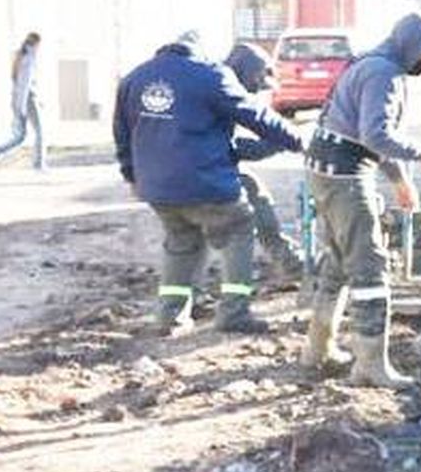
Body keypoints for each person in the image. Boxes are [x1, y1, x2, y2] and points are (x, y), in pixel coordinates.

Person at [113, 30, 302, 336]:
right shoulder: (210, 75)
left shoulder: (134, 79)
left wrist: (131, 176)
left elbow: (122, 136)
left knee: (181, 243)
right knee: (240, 229)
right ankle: (233, 312)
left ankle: (169, 318)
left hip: (157, 189)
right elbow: (254, 115)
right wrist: (297, 139)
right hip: (205, 184)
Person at [302, 12, 421, 387]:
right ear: (413, 48)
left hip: (326, 169)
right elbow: (375, 134)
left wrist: (398, 180)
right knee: (369, 266)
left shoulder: (369, 63)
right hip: (345, 176)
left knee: (338, 260)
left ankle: (318, 348)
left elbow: (367, 134)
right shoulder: (384, 74)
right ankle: (370, 365)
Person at [224, 42, 306, 288]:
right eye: (256, 83)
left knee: (254, 190)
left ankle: (290, 261)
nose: (256, 90)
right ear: (247, 73)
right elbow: (235, 147)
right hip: (201, 167)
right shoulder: (223, 89)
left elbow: (231, 144)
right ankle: (291, 264)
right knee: (246, 214)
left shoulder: (220, 84)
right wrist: (285, 141)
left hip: (192, 163)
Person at [0, 32, 45, 170]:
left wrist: (17, 105)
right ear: (36, 44)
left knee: (21, 136)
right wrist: (22, 108)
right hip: (28, 99)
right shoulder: (29, 59)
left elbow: (17, 83)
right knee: (40, 132)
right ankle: (38, 165)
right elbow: (25, 85)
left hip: (19, 99)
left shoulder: (20, 57)